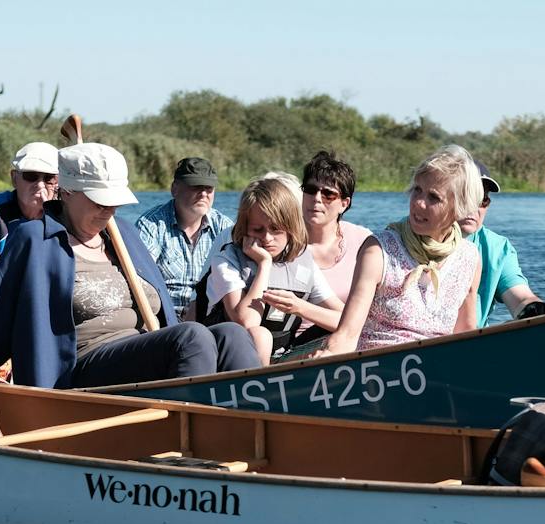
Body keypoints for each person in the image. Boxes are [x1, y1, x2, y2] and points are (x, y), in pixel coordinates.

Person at [0, 143, 256, 388]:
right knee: (192, 337)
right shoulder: (34, 239)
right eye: (100, 202)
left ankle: (257, 427)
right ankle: (187, 439)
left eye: (114, 202)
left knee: (231, 334)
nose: (109, 210)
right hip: (80, 369)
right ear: (68, 191)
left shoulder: (123, 234)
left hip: (144, 354)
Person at [315, 145, 485, 357]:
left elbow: (466, 335)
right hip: (377, 372)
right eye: (417, 190)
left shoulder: (470, 258)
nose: (418, 203)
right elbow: (348, 334)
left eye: (434, 197)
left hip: (439, 370)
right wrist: (329, 355)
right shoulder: (378, 250)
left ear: (459, 207)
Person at [204, 176, 342, 365]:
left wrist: (300, 307)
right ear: (244, 229)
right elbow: (247, 321)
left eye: (276, 229)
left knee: (336, 334)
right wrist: (264, 264)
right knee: (260, 335)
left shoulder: (303, 263)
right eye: (258, 230)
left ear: (291, 227)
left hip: (282, 355)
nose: (267, 238)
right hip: (227, 357)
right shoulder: (226, 261)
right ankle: (259, 386)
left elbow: (347, 320)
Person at [135, 155, 232, 318]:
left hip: (209, 315)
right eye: (195, 186)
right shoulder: (151, 224)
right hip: (165, 316)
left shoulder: (224, 226)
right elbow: (140, 278)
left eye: (209, 188)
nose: (203, 194)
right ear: (175, 189)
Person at [462, 162, 545, 324]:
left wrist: (536, 310)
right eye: (468, 196)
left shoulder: (497, 247)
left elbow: (520, 297)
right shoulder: (409, 237)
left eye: (482, 199)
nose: (474, 207)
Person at [299, 150, 375, 301]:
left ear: (344, 204)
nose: (317, 199)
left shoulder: (364, 241)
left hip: (347, 324)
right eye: (310, 190)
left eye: (328, 194)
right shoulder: (280, 238)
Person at [0, 141, 59, 258]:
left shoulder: (67, 213)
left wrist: (51, 217)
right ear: (14, 178)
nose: (40, 185)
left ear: (59, 182)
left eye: (49, 178)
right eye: (31, 176)